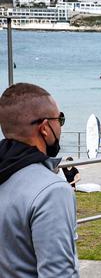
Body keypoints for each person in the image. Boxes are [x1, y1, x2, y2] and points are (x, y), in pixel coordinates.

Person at [0, 83, 79, 276]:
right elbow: (59, 273)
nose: (60, 125)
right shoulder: (52, 191)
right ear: (44, 128)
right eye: (60, 119)